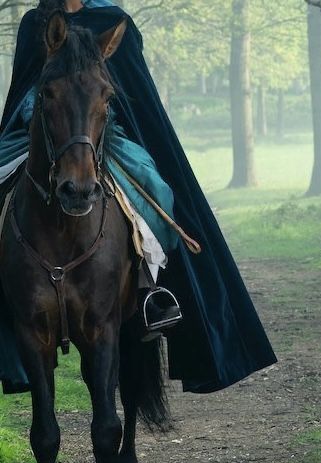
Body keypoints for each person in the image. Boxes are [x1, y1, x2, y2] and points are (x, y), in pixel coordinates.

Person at [0, 0, 277, 393]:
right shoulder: (36, 24)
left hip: (100, 130)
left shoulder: (113, 21)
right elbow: (25, 83)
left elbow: (134, 92)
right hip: (44, 126)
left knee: (155, 185)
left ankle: (153, 288)